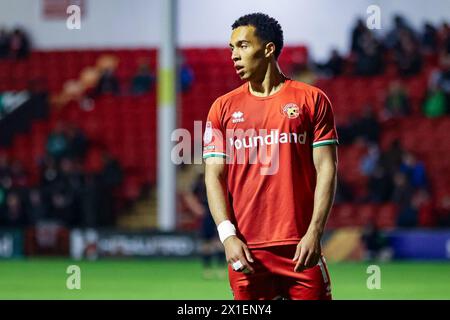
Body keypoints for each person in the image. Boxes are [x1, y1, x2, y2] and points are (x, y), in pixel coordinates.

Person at [203, 13, 338, 300]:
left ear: (268, 49)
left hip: (301, 248)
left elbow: (327, 168)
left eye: (242, 46)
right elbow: (213, 175)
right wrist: (227, 236)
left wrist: (315, 231)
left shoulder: (312, 100)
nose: (234, 56)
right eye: (232, 49)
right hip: (247, 251)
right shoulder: (222, 108)